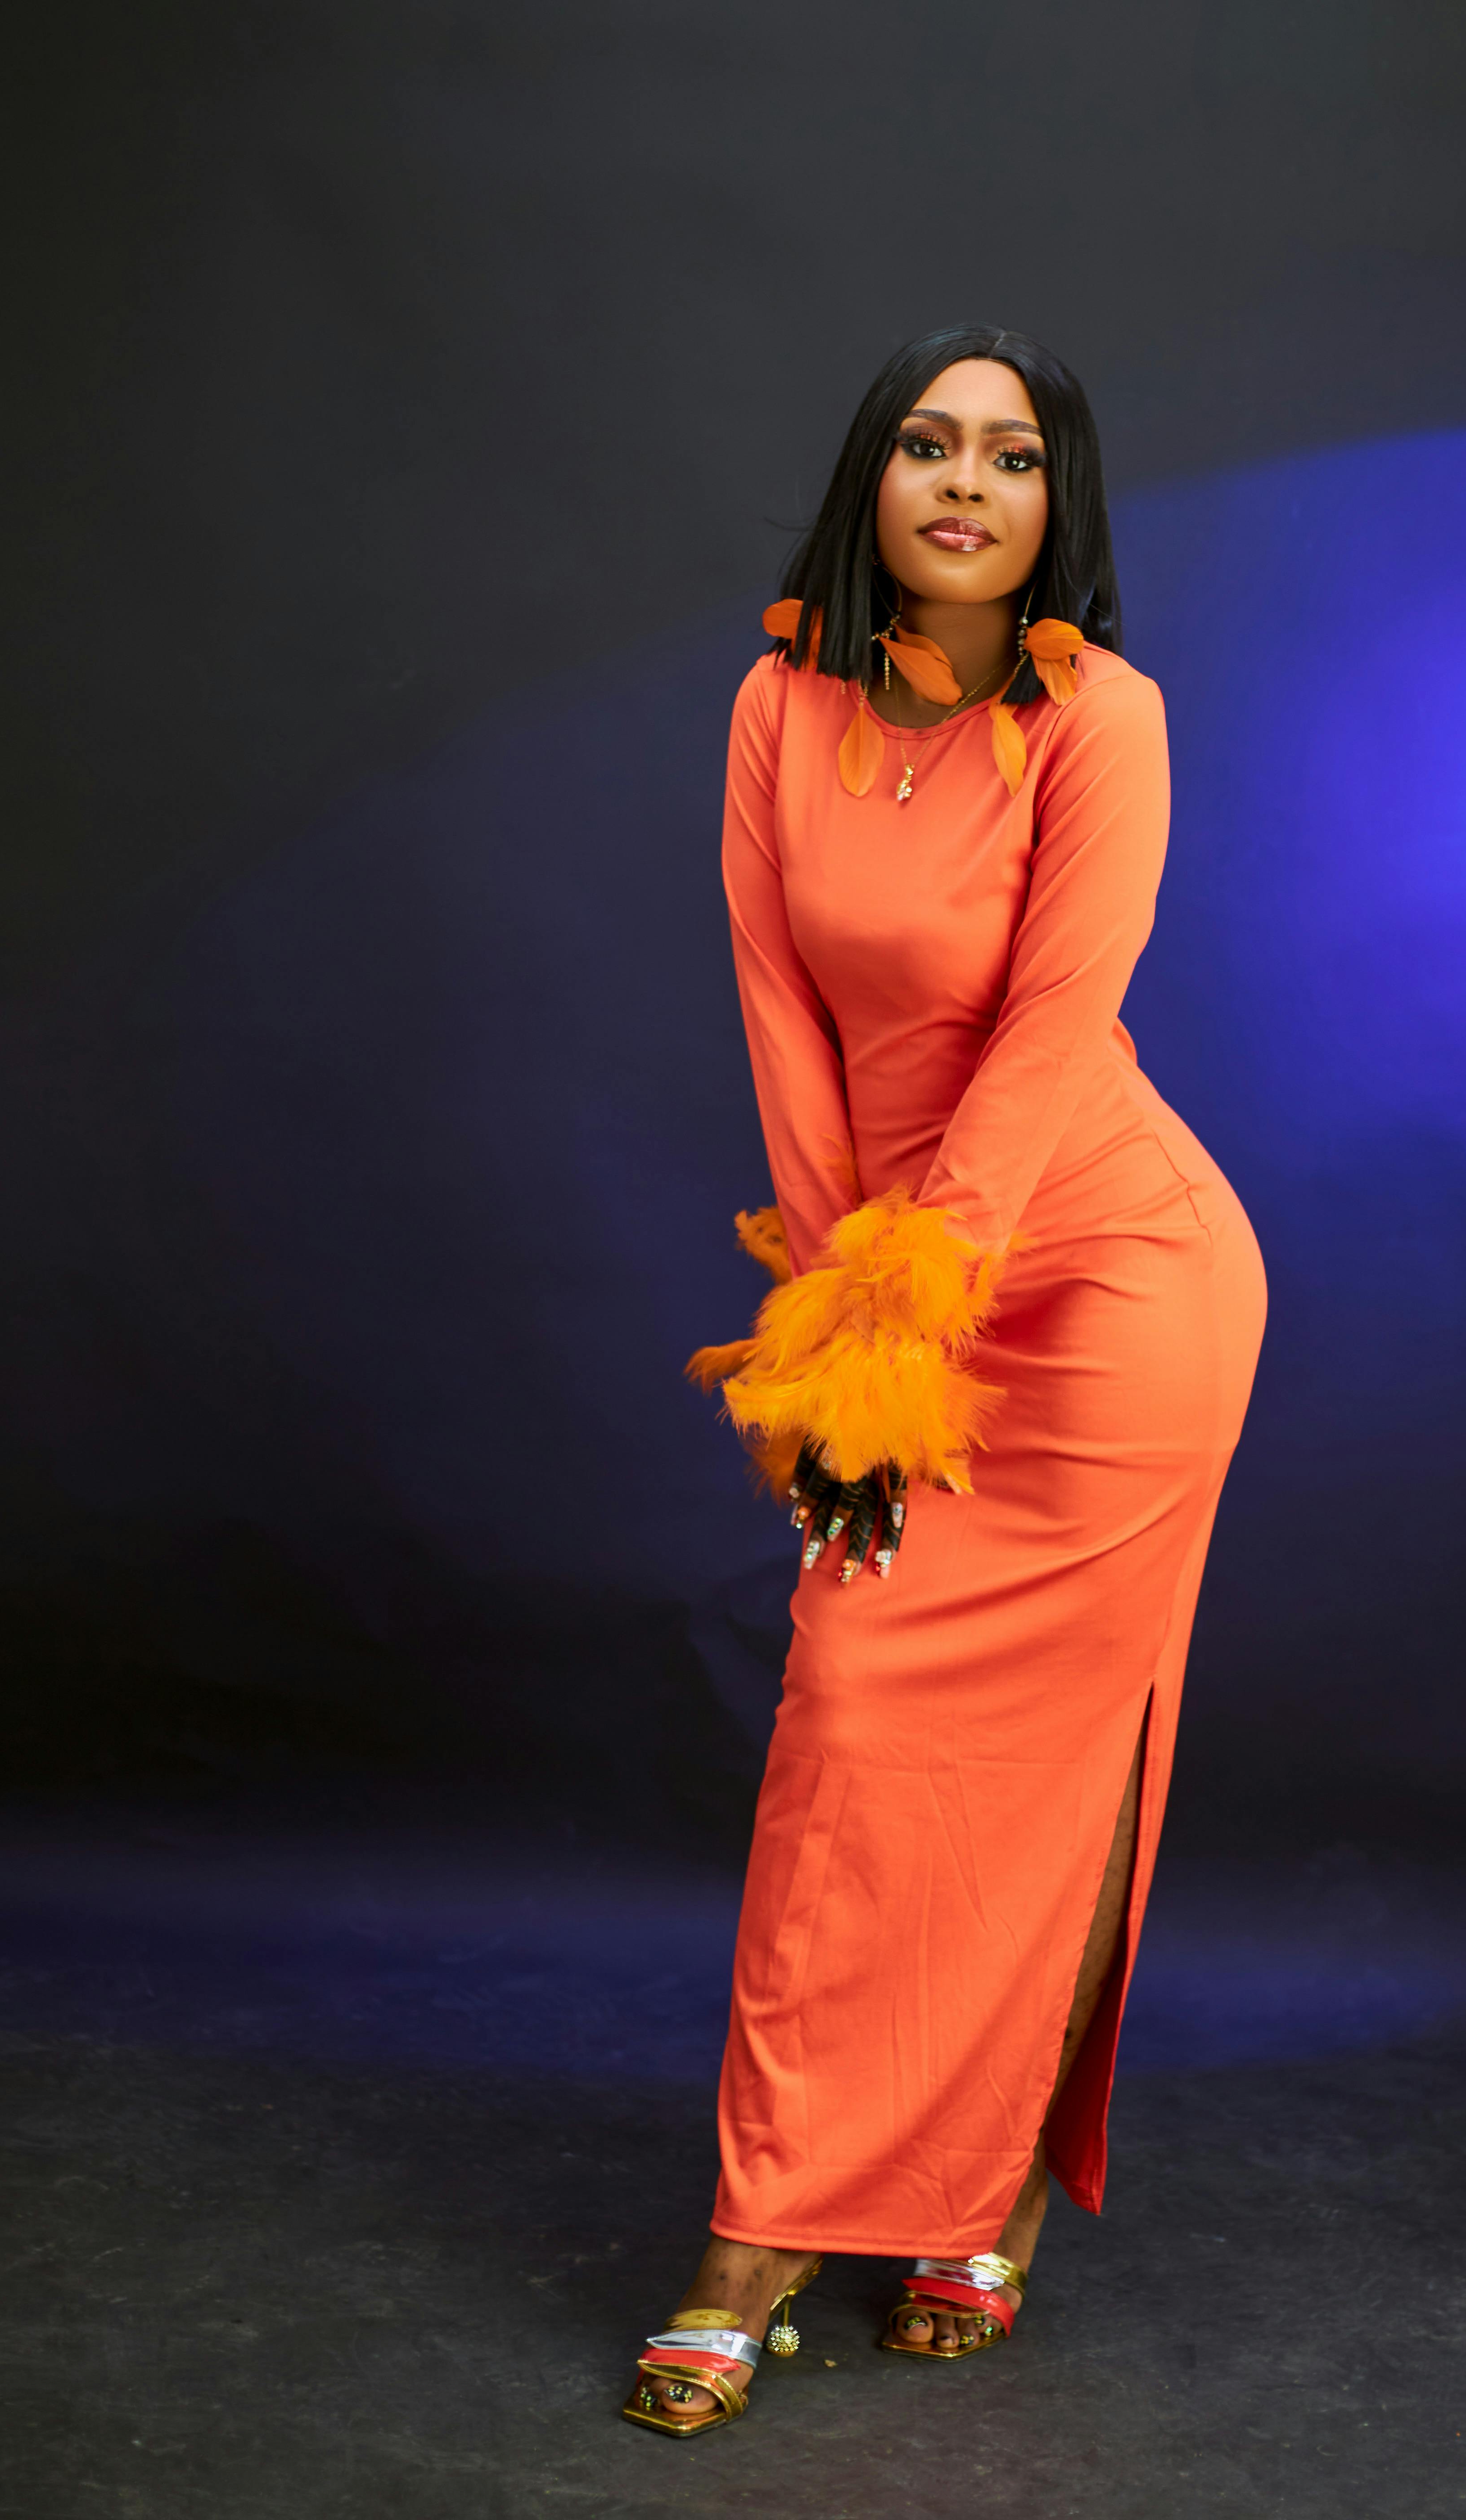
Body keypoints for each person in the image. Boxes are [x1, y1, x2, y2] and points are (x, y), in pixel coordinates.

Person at [626, 324, 1265, 2438]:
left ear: (1056, 504)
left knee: (1070, 1752)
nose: (963, 481)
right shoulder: (776, 702)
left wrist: (926, 1290)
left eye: (1009, 453)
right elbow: (783, 1029)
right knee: (852, 1723)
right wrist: (840, 1321)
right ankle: (759, 2230)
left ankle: (984, 2200)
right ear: (873, 479)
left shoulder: (1104, 719)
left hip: (1113, 1283)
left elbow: (1064, 1017)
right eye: (925, 444)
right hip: (900, 1285)